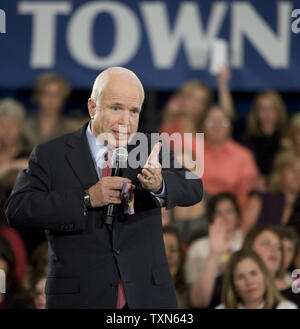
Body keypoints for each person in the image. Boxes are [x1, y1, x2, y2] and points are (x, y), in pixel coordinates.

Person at [5, 67, 203, 309]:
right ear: (92, 107)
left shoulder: (150, 146)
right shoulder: (51, 154)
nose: (126, 121)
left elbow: (194, 187)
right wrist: (86, 198)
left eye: (134, 111)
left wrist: (159, 184)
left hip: (146, 296)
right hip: (80, 298)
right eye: (116, 108)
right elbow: (18, 209)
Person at [186, 193, 244, 308]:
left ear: (237, 215)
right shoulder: (197, 247)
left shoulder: (247, 244)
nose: (224, 217)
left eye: (229, 211)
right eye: (218, 212)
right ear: (211, 217)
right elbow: (194, 296)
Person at [201, 106, 258, 208]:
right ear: (203, 127)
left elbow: (246, 195)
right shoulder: (192, 151)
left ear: (230, 127)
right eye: (211, 121)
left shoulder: (243, 156)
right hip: (197, 211)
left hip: (231, 212)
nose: (217, 126)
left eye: (223, 122)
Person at [242, 150, 300, 234]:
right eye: (292, 169)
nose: (297, 176)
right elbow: (242, 234)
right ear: (281, 172)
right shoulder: (260, 199)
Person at [216, 250, 297, 309]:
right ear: (232, 284)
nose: (249, 282)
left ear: (264, 276)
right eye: (240, 277)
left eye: (253, 273)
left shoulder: (286, 307)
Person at [240, 90, 288, 189]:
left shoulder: (287, 139)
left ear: (279, 111)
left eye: (272, 109)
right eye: (263, 109)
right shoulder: (246, 140)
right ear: (256, 112)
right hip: (254, 187)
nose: (267, 114)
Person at [24, 72, 80, 149]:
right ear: (38, 96)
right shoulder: (25, 126)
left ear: (63, 99)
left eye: (56, 95)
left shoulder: (72, 128)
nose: (51, 100)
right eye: (46, 94)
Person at [0, 98, 30, 178]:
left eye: (12, 125)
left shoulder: (29, 154)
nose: (7, 131)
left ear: (21, 128)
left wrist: (9, 166)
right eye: (2, 125)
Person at [163, 226, 188, 309]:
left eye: (173, 250)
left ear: (181, 256)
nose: (167, 255)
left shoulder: (189, 294)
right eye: (162, 250)